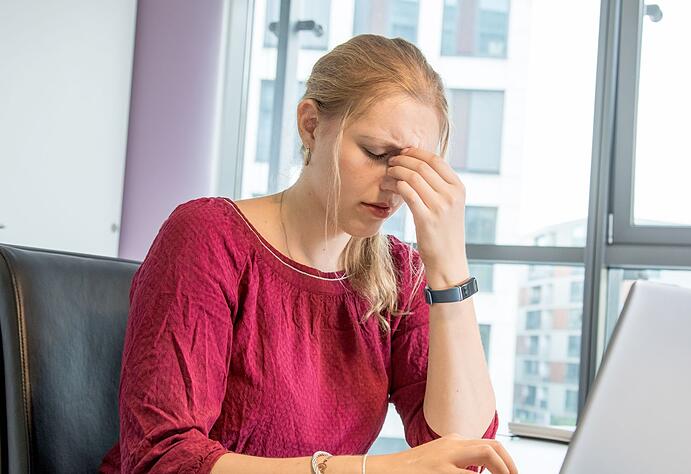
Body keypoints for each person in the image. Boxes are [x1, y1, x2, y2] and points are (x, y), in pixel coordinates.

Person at [99, 34, 518, 474]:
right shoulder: (208, 237)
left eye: (416, 169)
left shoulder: (400, 275)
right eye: (377, 154)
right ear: (311, 125)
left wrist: (449, 267)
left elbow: (464, 451)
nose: (395, 186)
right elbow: (162, 459)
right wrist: (366, 470)